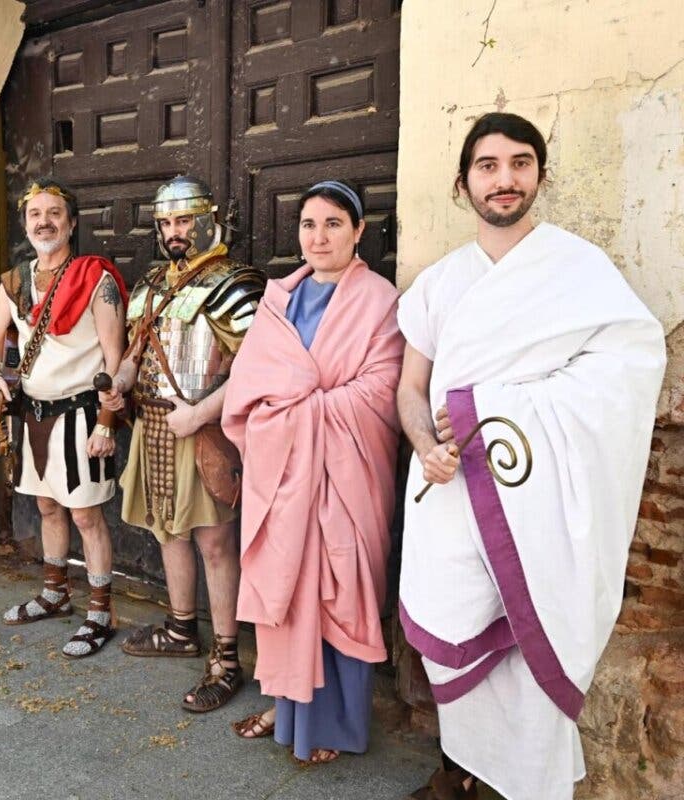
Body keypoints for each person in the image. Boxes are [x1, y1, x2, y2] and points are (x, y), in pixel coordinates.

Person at [396, 113, 665, 800]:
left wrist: (495, 412)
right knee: (457, 630)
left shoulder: (578, 271)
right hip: (450, 491)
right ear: (464, 185)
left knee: (530, 633)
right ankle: (462, 771)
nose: (505, 178)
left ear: (540, 176)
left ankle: (527, 785)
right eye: (488, 165)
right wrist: (427, 444)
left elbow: (626, 370)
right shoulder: (438, 283)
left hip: (540, 499)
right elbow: (411, 388)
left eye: (520, 162)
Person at [221, 181, 403, 762]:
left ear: (357, 232)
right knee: (286, 590)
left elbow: (382, 390)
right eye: (308, 224)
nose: (318, 236)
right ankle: (287, 706)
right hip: (284, 478)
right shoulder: (277, 301)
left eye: (332, 224)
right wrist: (293, 412)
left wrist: (300, 408)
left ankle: (338, 725)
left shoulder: (380, 300)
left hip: (345, 480)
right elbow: (249, 388)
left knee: (338, 590)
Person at [99, 176, 264, 711]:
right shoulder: (150, 284)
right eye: (167, 222)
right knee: (166, 530)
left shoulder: (234, 283)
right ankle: (180, 628)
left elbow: (256, 369)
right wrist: (120, 384)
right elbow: (133, 353)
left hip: (206, 432)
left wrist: (200, 414)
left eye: (185, 220)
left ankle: (227, 657)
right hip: (154, 428)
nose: (174, 232)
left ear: (208, 220)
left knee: (214, 544)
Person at [0, 178, 127, 657]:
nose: (44, 221)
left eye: (54, 213)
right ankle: (54, 592)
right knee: (47, 507)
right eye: (35, 214)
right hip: (34, 415)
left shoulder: (95, 279)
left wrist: (107, 423)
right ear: (26, 224)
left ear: (71, 222)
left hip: (83, 414)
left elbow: (114, 357)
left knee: (86, 513)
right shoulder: (13, 281)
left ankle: (100, 612)